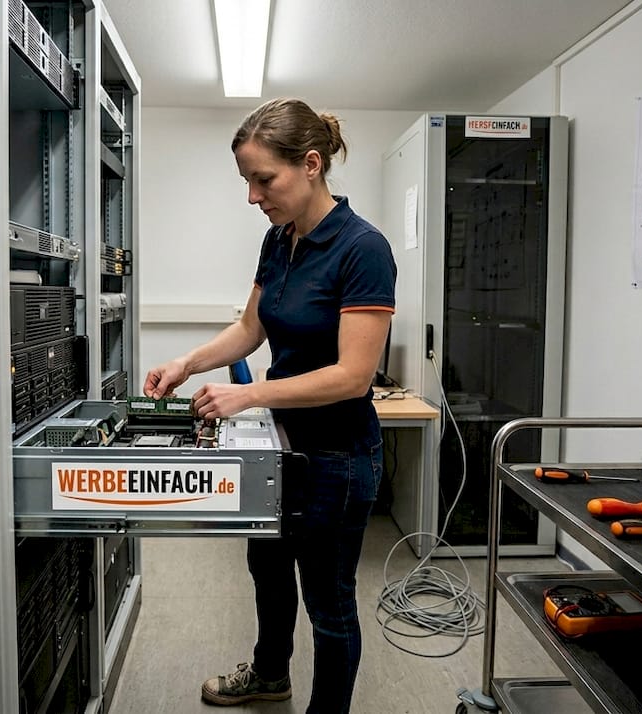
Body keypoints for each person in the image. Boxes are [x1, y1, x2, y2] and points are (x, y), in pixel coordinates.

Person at [142, 98, 397, 714]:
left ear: (311, 164)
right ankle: (269, 675)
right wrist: (188, 363)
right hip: (279, 449)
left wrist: (249, 393)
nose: (253, 196)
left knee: (329, 605)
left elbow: (352, 377)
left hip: (337, 459)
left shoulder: (363, 248)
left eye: (263, 180)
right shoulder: (279, 240)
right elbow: (250, 328)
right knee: (270, 572)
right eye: (246, 181)